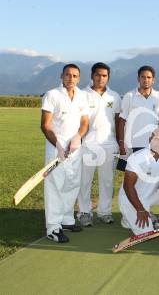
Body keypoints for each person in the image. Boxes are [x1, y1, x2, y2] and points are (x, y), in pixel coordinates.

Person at [41, 64, 89, 243]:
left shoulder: (82, 96)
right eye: (68, 75)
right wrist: (59, 146)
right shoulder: (52, 95)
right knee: (55, 185)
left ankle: (67, 219)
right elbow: (45, 125)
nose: (71, 78)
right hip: (56, 148)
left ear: (79, 78)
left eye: (75, 75)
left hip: (75, 148)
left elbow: (84, 122)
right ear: (62, 76)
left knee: (72, 183)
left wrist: (78, 137)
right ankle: (53, 227)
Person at [77, 62, 121, 226]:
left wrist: (119, 141)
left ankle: (105, 212)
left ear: (108, 77)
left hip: (109, 144)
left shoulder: (114, 96)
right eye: (98, 75)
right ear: (92, 75)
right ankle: (84, 212)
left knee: (107, 181)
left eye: (104, 75)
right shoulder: (82, 94)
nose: (101, 78)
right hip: (87, 144)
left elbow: (118, 120)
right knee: (85, 181)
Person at [118, 128, 159, 235]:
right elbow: (128, 187)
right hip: (130, 199)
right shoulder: (136, 157)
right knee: (148, 233)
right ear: (150, 139)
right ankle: (128, 216)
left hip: (150, 197)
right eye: (156, 139)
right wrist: (140, 210)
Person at [117, 65, 159, 163]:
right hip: (130, 144)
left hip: (151, 144)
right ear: (138, 79)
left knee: (149, 174)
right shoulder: (129, 96)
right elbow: (122, 121)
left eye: (149, 77)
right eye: (143, 77)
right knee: (130, 176)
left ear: (153, 80)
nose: (146, 80)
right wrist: (121, 143)